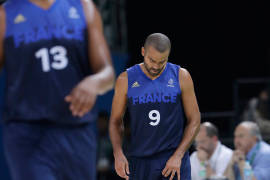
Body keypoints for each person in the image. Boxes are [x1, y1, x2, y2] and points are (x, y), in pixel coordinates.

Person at [0, 0, 115, 179]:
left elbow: (107, 73)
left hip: (77, 130)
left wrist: (94, 82)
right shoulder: (6, 14)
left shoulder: (83, 8)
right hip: (27, 131)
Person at [109, 33, 201, 180]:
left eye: (161, 62)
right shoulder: (125, 79)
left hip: (173, 159)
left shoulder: (181, 76)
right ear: (143, 52)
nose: (155, 66)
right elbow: (115, 120)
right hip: (140, 160)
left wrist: (179, 155)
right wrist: (118, 153)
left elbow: (195, 119)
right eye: (152, 60)